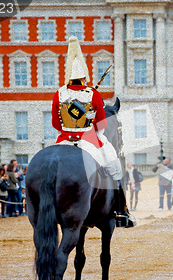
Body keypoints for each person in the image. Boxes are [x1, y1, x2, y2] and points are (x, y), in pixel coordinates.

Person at [51, 36, 132, 227]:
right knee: (115, 169)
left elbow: (56, 123)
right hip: (89, 139)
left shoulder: (59, 93)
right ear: (84, 76)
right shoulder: (92, 94)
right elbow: (101, 125)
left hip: (64, 140)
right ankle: (121, 212)